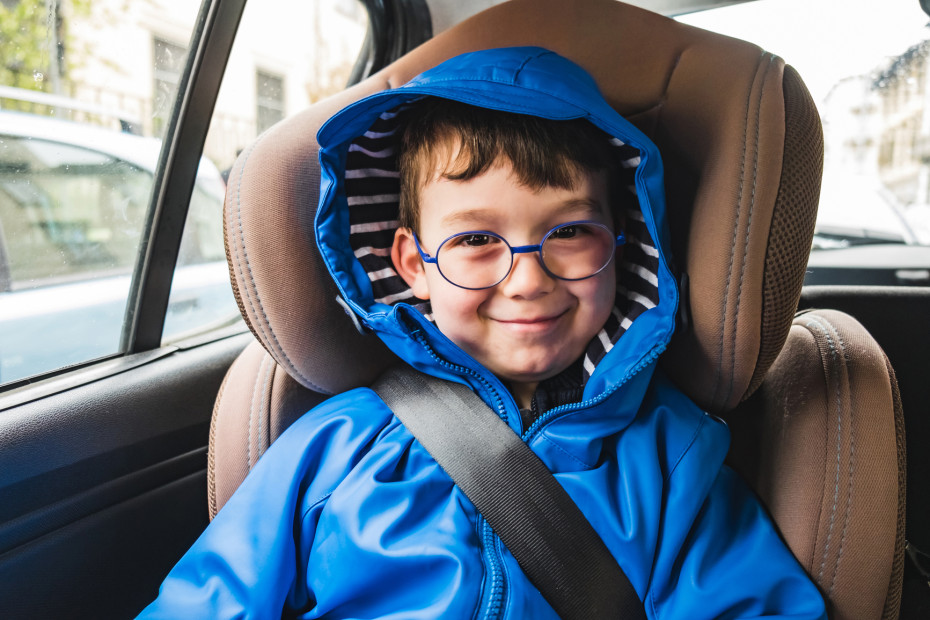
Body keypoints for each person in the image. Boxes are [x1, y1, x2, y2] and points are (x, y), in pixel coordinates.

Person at [138, 47, 827, 619]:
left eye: (572, 232)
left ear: (624, 246)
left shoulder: (673, 457)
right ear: (412, 263)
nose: (528, 280)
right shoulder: (334, 447)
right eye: (474, 239)